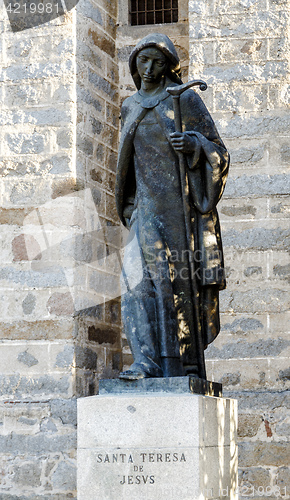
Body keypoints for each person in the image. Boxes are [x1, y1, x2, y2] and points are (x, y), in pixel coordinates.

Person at [115, 33, 229, 380]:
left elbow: (219, 153)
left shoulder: (184, 101)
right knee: (135, 282)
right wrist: (132, 207)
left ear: (169, 67)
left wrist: (193, 144)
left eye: (158, 62)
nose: (149, 68)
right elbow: (127, 166)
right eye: (143, 60)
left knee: (175, 284)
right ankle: (145, 360)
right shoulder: (130, 106)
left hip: (179, 212)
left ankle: (178, 364)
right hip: (145, 209)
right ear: (134, 62)